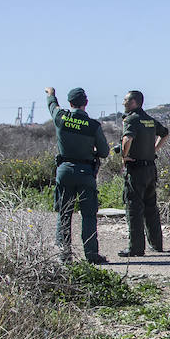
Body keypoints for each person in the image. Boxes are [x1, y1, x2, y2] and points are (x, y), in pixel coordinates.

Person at [46, 85, 111, 264]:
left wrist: (51, 94)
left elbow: (52, 105)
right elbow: (105, 152)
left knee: (64, 214)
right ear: (86, 103)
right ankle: (91, 255)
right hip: (86, 173)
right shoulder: (92, 125)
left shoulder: (61, 118)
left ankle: (63, 255)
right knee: (88, 215)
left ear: (70, 102)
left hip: (65, 171)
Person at [116, 90, 169, 258]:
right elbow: (165, 133)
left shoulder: (131, 119)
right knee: (151, 208)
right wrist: (153, 149)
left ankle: (136, 248)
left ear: (134, 102)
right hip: (150, 169)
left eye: (125, 100)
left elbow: (127, 139)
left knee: (134, 208)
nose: (123, 103)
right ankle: (156, 244)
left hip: (136, 170)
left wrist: (124, 157)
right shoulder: (149, 120)